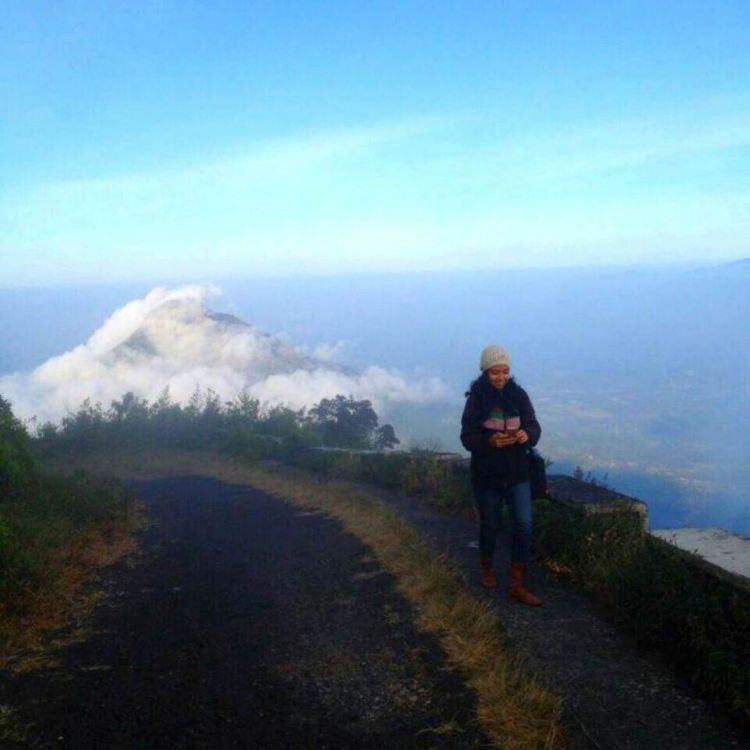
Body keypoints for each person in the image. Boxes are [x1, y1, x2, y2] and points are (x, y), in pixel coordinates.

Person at [460, 345, 542, 606]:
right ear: (485, 371)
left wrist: (526, 434)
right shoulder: (476, 399)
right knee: (490, 525)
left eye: (505, 371)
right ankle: (487, 569)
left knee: (524, 525)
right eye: (496, 372)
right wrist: (490, 442)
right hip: (488, 476)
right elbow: (467, 436)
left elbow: (533, 425)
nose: (501, 377)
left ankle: (517, 584)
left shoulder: (518, 396)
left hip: (518, 472)